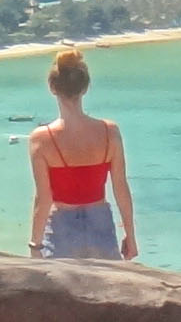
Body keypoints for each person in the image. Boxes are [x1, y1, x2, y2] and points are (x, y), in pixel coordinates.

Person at [25, 46, 136, 260]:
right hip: (101, 226)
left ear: (52, 88)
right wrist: (130, 237)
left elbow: (44, 199)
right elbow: (121, 188)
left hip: (61, 230)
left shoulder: (42, 139)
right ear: (85, 88)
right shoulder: (110, 132)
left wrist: (35, 245)